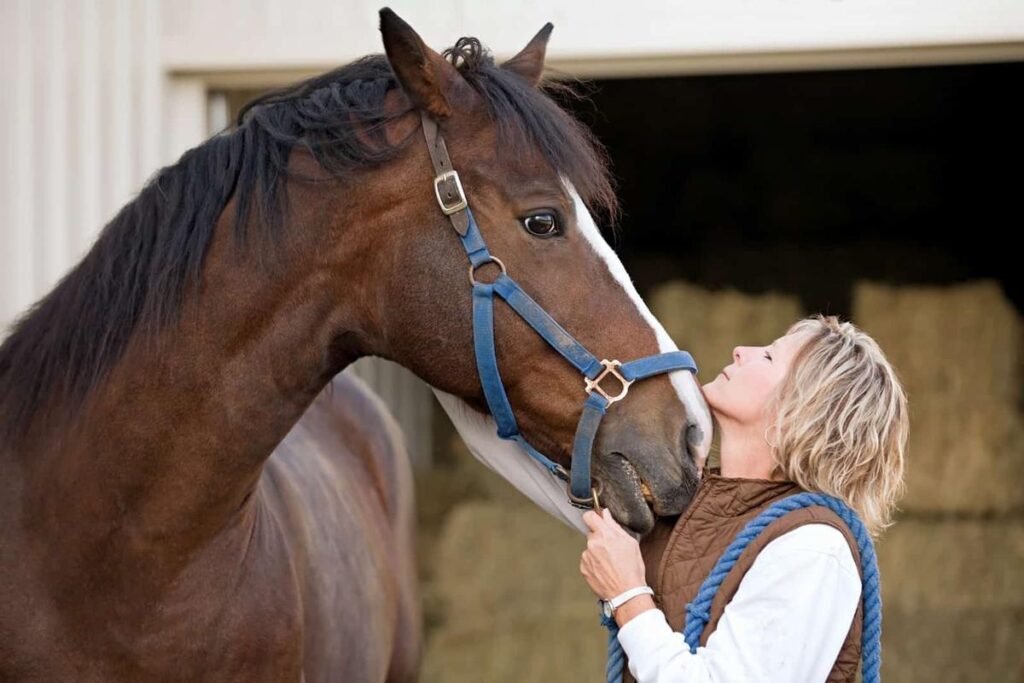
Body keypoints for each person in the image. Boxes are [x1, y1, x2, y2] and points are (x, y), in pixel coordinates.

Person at [580, 314, 908, 682]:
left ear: (802, 410)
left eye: (769, 357)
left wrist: (627, 595)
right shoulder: (682, 505)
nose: (740, 351)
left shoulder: (814, 548)